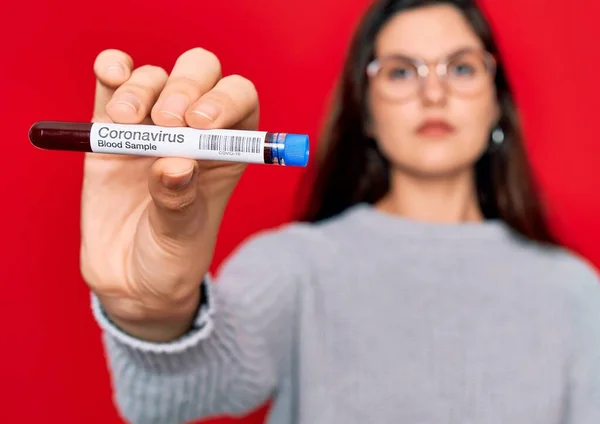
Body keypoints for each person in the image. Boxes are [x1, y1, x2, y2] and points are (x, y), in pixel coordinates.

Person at [83, 0, 600, 422]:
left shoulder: (575, 291)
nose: (434, 92)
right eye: (401, 72)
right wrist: (152, 312)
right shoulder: (292, 266)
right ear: (367, 112)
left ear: (496, 103)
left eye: (461, 67)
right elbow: (176, 396)